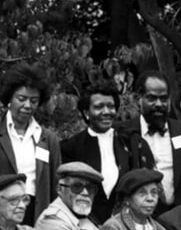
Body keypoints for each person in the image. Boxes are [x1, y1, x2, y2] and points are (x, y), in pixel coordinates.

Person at [0, 62, 61, 225]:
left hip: (37, 214)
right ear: (9, 98)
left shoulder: (48, 139)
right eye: (21, 99)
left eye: (34, 101)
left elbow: (55, 186)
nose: (27, 105)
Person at [61, 79, 153, 222]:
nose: (106, 112)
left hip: (128, 224)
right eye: (99, 107)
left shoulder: (133, 142)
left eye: (111, 106)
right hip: (84, 224)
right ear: (86, 112)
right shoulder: (71, 147)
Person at [117, 70, 181, 211]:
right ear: (138, 98)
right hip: (137, 214)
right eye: (152, 98)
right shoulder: (123, 132)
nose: (159, 104)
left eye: (163, 98)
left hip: (178, 215)